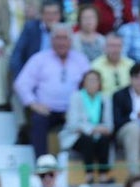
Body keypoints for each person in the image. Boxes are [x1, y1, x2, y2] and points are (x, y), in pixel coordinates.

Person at [13, 23, 91, 157]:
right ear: (51, 40)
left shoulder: (81, 60)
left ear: (71, 41)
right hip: (47, 111)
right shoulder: (39, 59)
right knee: (38, 121)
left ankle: (86, 166)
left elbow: (90, 84)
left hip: (74, 111)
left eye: (65, 38)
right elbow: (21, 84)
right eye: (58, 38)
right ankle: (42, 163)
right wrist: (33, 103)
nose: (61, 42)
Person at [61, 70, 114, 185]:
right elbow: (72, 124)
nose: (92, 83)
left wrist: (92, 129)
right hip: (77, 136)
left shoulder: (105, 99)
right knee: (87, 140)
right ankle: (88, 175)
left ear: (100, 83)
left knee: (104, 140)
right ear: (83, 83)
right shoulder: (76, 97)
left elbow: (109, 126)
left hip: (98, 135)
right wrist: (92, 129)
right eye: (89, 80)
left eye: (95, 80)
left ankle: (103, 175)